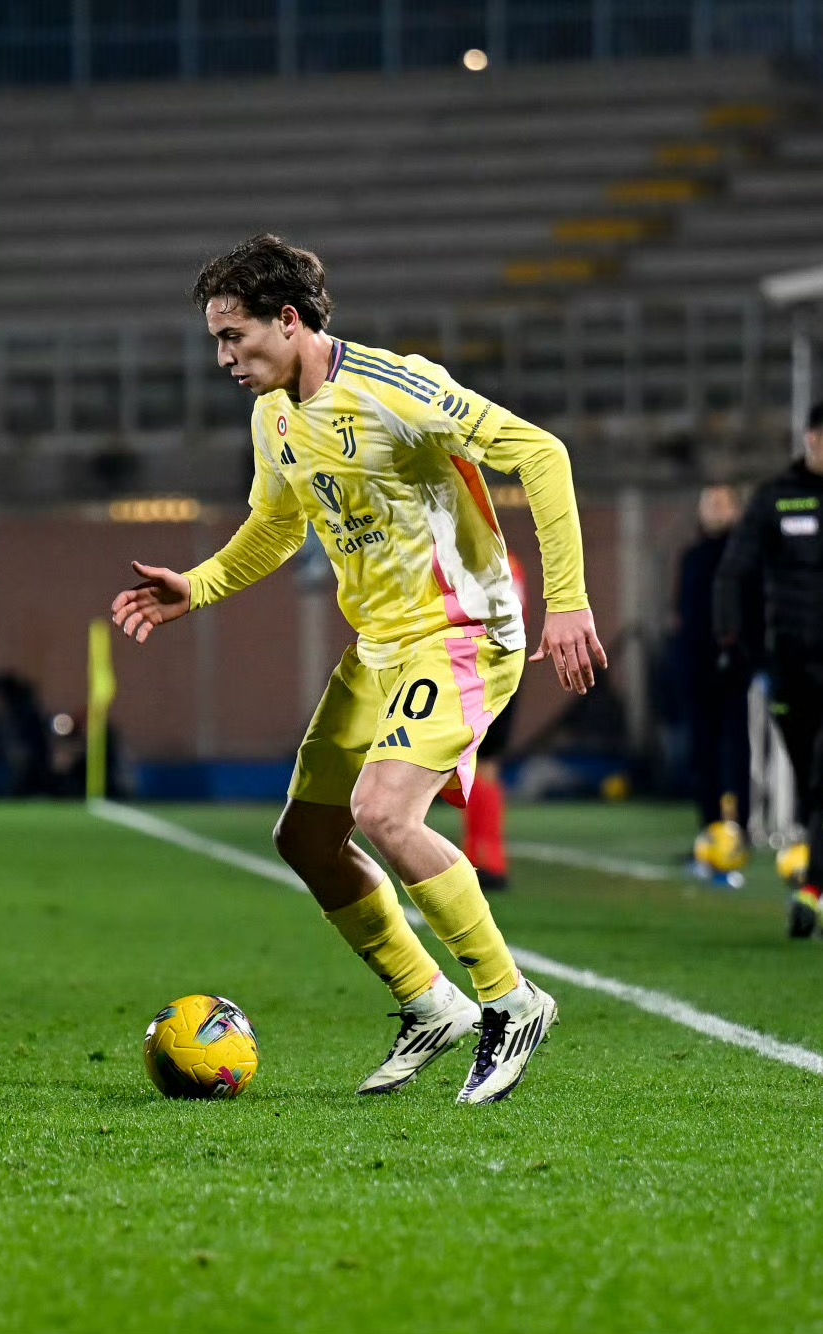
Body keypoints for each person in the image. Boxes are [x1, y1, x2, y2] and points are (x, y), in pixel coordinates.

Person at [111, 234, 604, 1105]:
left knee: (383, 810)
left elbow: (542, 454)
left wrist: (567, 602)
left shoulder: (393, 387)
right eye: (217, 341)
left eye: (233, 337)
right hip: (380, 646)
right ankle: (430, 1002)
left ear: (288, 320)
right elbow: (276, 525)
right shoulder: (273, 415)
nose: (224, 358)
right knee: (305, 839)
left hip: (460, 631)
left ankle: (512, 1000)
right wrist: (200, 584)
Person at [715, 402, 823, 937]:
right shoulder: (776, 498)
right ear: (810, 439)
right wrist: (731, 638)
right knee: (809, 782)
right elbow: (734, 572)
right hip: (791, 667)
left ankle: (813, 890)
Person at [675, 485, 752, 883]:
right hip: (697, 670)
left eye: (721, 503)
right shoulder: (691, 557)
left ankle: (740, 832)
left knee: (736, 753)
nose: (713, 510)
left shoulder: (746, 556)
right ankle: (708, 832)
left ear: (736, 510)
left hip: (736, 671)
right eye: (708, 503)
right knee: (702, 755)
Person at [463, 553, 527, 892]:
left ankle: (486, 860)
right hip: (502, 662)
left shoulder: (483, 559)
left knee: (481, 761)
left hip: (485, 665)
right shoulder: (508, 562)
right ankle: (480, 856)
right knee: (480, 763)